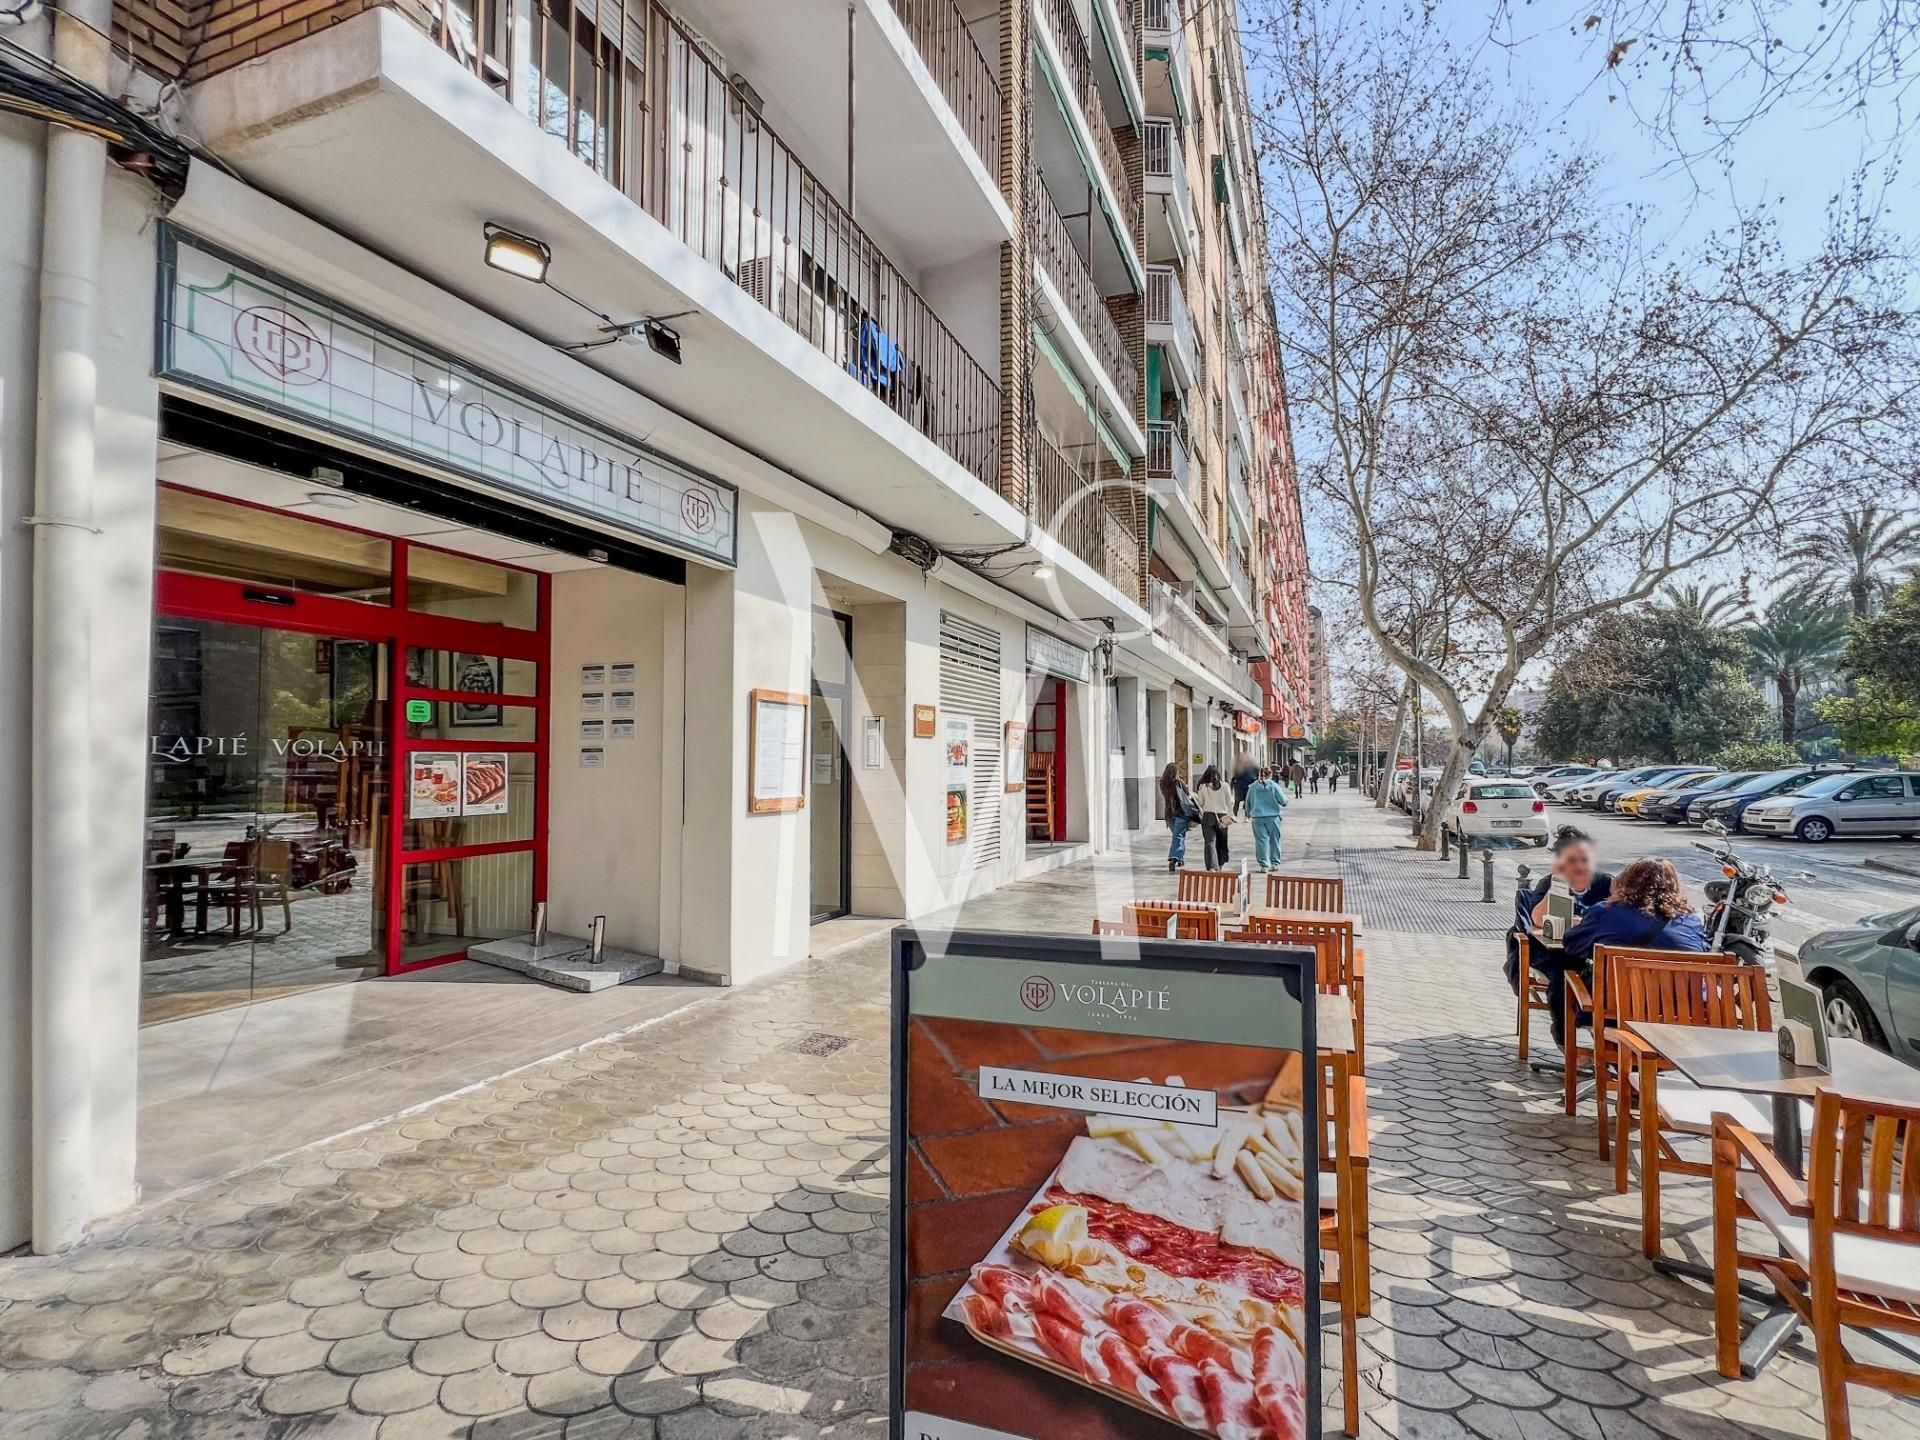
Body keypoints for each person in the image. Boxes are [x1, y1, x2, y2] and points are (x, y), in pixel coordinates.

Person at [1507, 827, 1614, 1048]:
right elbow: (1537, 918)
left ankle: (1609, 1046)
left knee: (1610, 979)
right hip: (1552, 950)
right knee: (1562, 976)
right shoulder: (1549, 883)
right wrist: (1559, 885)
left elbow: (1620, 912)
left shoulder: (1604, 883)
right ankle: (1565, 1039)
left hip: (1591, 951)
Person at [1246, 765, 1289, 869]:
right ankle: (1275, 863)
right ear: (1271, 775)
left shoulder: (1252, 787)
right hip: (1273, 817)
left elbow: (1247, 803)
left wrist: (1248, 814)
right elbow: (1283, 801)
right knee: (1275, 840)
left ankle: (1264, 865)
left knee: (1261, 841)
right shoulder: (1274, 786)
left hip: (1257, 818)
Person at [1159, 763, 1199, 873]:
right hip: (1181, 813)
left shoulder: (1162, 783)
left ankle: (1180, 858)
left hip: (1169, 814)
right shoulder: (1178, 783)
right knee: (1178, 836)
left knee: (1177, 836)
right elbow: (1187, 795)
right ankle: (1173, 859)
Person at [1195, 764, 1234, 870]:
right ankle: (1221, 863)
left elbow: (1200, 802)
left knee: (1210, 842)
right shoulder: (1225, 786)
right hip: (1223, 816)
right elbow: (1229, 802)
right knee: (1222, 841)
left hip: (1208, 816)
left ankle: (1212, 866)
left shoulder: (1202, 787)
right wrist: (1231, 815)